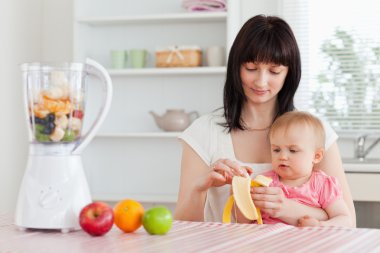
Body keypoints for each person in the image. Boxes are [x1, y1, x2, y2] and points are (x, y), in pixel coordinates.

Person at [174, 14, 356, 226]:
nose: (261, 81)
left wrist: (288, 208)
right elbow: (183, 225)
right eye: (251, 68)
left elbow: (347, 221)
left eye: (274, 71)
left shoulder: (315, 132)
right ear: (236, 67)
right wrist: (201, 187)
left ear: (289, 73)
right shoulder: (204, 132)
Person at [237, 111, 351, 227]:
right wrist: (239, 191)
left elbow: (345, 219)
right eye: (276, 150)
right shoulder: (263, 182)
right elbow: (245, 221)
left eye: (293, 150)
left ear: (316, 156)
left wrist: (320, 225)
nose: (282, 156)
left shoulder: (322, 185)